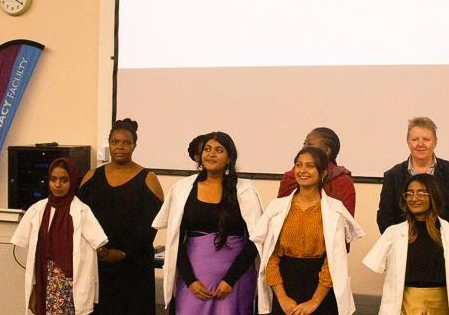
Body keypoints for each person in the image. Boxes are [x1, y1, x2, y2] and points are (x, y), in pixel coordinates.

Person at [152, 131, 264, 314]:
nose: (211, 154)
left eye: (219, 150)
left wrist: (230, 279)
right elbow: (175, 239)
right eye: (207, 149)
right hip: (194, 279)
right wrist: (190, 281)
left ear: (229, 158)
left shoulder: (246, 191)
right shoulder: (182, 189)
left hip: (235, 279)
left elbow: (256, 239)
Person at [251, 147, 365, 315]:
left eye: (310, 166)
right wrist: (282, 297)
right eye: (299, 165)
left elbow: (333, 259)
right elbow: (270, 257)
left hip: (321, 287)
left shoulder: (335, 210)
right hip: (285, 284)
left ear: (323, 172)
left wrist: (314, 301)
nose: (302, 170)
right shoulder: (277, 208)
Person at [363, 174, 449, 315]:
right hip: (404, 307)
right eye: (409, 194)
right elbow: (376, 264)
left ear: (433, 196)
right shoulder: (392, 234)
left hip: (443, 308)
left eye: (421, 193)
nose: (414, 198)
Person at [77, 118, 164, 315]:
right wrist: (96, 249)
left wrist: (122, 253)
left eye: (126, 143)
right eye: (115, 142)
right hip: (97, 263)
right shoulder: (92, 176)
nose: (120, 147)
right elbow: (78, 216)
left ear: (135, 145)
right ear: (109, 144)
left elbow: (150, 226)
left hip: (134, 266)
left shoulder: (148, 179)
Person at [11, 158, 108, 315]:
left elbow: (99, 242)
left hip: (69, 285)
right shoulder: (37, 210)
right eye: (53, 179)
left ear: (73, 182)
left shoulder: (82, 211)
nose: (57, 185)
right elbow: (31, 255)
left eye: (64, 180)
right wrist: (34, 291)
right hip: (43, 281)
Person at [377, 117, 449, 234]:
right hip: (403, 247)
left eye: (426, 139)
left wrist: (448, 242)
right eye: (415, 139)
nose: (420, 144)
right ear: (408, 142)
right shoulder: (393, 176)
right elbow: (385, 218)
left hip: (447, 246)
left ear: (435, 142)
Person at [277, 127, 356, 217]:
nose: (304, 148)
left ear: (327, 151)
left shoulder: (342, 181)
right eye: (304, 143)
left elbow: (347, 224)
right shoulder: (291, 177)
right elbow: (279, 217)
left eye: (310, 144)